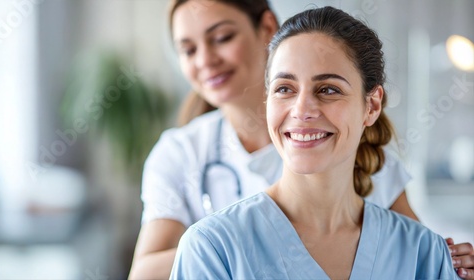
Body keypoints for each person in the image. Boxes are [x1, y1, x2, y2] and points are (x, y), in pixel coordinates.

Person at [129, 1, 474, 279]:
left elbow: (411, 249)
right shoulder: (209, 236)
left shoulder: (418, 249)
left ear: (371, 106)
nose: (303, 110)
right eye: (285, 89)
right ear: (270, 99)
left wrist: (451, 259)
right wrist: (243, 241)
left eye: (327, 90)